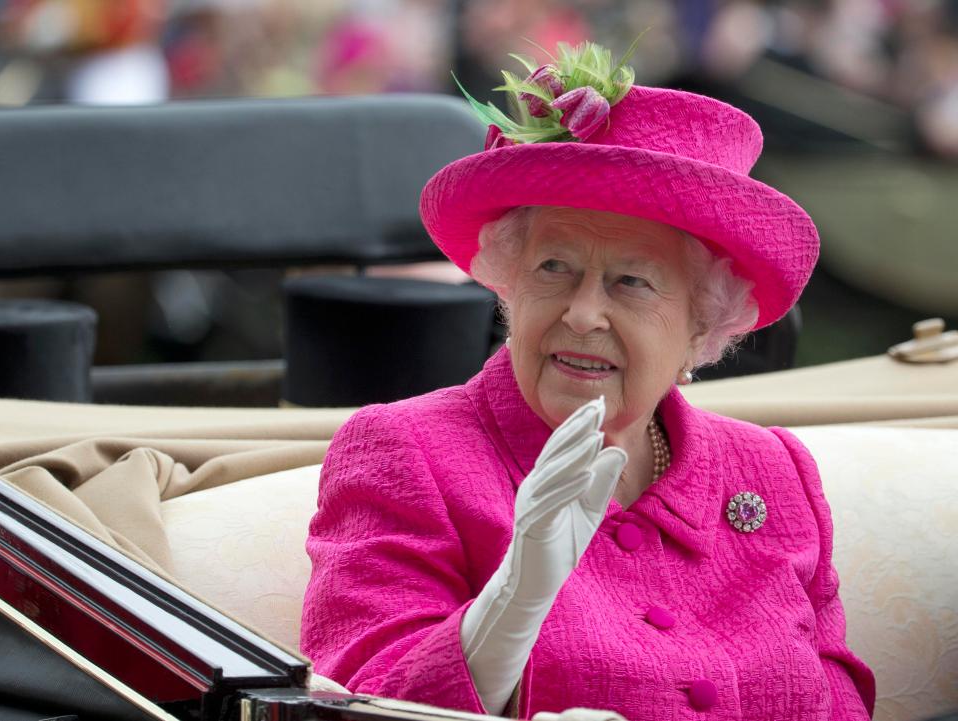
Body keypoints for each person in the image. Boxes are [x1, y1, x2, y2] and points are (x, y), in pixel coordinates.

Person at [300, 41, 875, 721]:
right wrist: (507, 608)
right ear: (508, 286)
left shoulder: (775, 472)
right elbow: (355, 706)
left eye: (631, 282)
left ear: (703, 323)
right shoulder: (405, 450)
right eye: (554, 268)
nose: (582, 311)